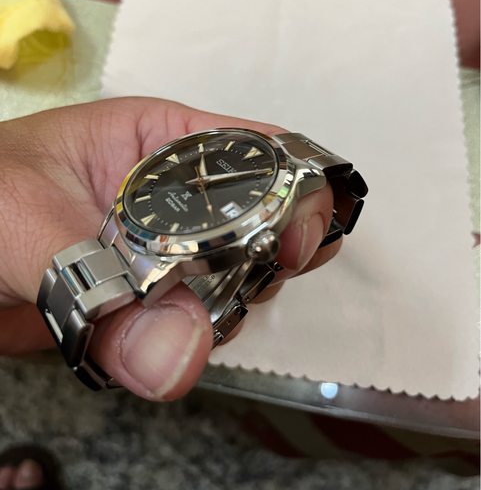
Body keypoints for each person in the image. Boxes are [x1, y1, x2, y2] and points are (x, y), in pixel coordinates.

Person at [0, 96, 340, 488]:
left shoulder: (253, 237)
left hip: (166, 241)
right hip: (146, 228)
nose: (200, 183)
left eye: (204, 184)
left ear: (260, 243)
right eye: (200, 179)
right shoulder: (126, 211)